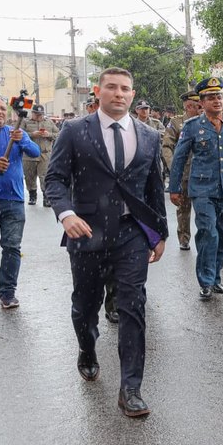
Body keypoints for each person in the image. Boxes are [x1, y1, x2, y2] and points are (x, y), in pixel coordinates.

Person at [45, 67, 168, 418]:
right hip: (86, 231)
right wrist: (66, 214)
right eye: (111, 87)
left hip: (131, 234)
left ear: (132, 94)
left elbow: (152, 188)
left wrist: (158, 233)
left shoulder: (148, 135)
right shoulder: (73, 131)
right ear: (98, 92)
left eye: (125, 89)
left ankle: (131, 388)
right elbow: (54, 178)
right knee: (85, 305)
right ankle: (87, 347)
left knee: (133, 307)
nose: (119, 94)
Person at [169, 77, 223, 300]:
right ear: (201, 102)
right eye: (211, 97)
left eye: (219, 96)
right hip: (202, 189)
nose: (217, 101)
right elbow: (179, 158)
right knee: (208, 233)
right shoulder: (193, 127)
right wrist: (174, 188)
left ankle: (216, 277)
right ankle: (205, 280)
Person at [0, 94, 42, 308]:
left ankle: (7, 292)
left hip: (12, 200)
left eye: (3, 108)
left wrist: (23, 139)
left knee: (12, 246)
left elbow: (35, 152)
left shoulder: (16, 133)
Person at [163, 90, 201, 251]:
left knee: (204, 208)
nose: (200, 108)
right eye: (197, 106)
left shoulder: (206, 121)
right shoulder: (177, 123)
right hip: (184, 173)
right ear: (188, 106)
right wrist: (175, 170)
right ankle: (184, 238)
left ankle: (206, 238)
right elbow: (167, 147)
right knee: (183, 209)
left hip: (202, 174)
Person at [18, 103, 59, 206]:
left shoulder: (49, 122)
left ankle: (47, 197)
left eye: (40, 114)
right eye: (36, 114)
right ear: (32, 113)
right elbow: (18, 134)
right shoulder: (25, 122)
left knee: (45, 176)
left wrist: (49, 135)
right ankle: (32, 195)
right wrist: (32, 134)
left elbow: (58, 134)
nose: (39, 116)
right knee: (29, 176)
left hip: (45, 155)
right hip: (29, 155)